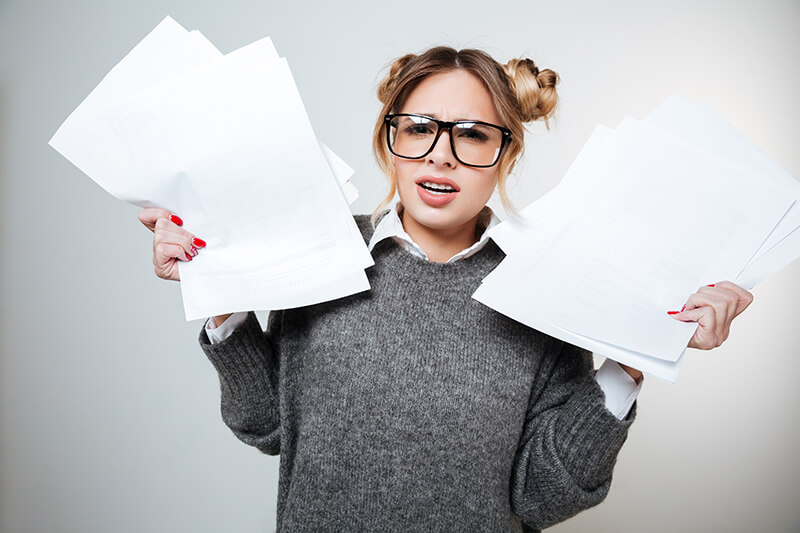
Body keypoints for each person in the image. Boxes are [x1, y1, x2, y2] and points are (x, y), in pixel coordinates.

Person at [137, 47, 753, 532]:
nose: (442, 156)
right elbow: (269, 426)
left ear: (505, 154)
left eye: (474, 134)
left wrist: (637, 355)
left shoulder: (545, 287)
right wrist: (219, 289)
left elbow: (539, 499)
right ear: (390, 140)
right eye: (421, 128)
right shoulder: (323, 251)